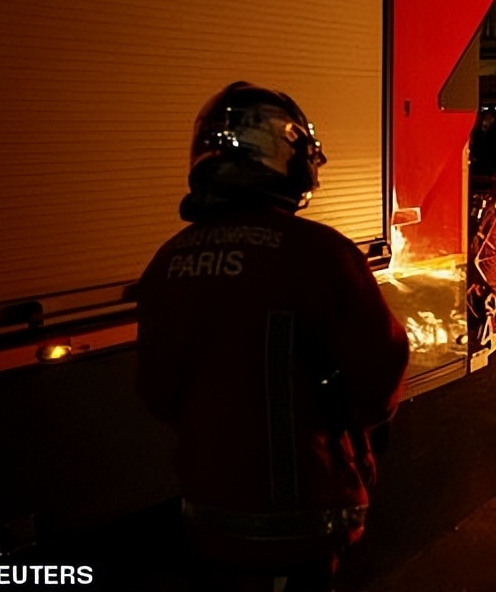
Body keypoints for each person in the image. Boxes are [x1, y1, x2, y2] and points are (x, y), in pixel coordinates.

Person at [136, 82, 410, 591]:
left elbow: (157, 393)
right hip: (307, 517)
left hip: (207, 520)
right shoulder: (321, 253)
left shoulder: (168, 262)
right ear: (288, 158)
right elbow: (381, 370)